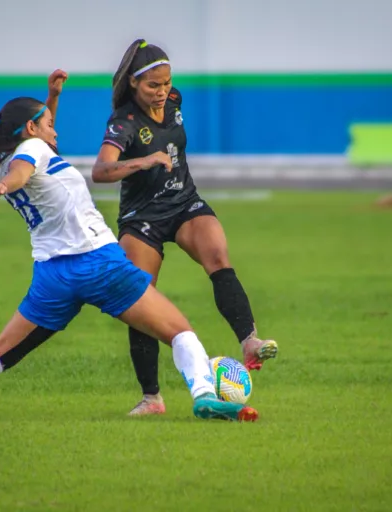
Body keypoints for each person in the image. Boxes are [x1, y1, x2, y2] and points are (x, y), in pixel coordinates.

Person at [0, 70, 258, 424]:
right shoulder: (30, 156)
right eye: (47, 123)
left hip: (53, 278)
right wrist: (5, 185)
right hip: (100, 265)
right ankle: (204, 395)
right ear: (30, 129)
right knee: (180, 332)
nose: (54, 130)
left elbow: (30, 155)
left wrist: (51, 99)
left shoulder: (25, 151)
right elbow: (23, 169)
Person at [92, 40, 279, 416]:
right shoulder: (124, 122)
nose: (161, 93)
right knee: (140, 297)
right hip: (142, 216)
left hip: (183, 202)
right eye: (152, 86)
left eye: (166, 84)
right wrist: (142, 162)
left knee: (217, 255)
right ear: (132, 83)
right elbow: (100, 171)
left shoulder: (174, 100)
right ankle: (152, 399)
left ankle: (249, 340)